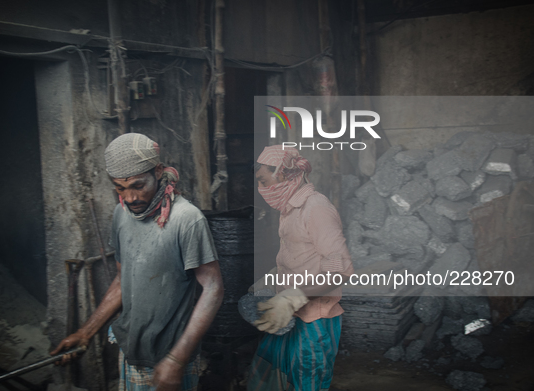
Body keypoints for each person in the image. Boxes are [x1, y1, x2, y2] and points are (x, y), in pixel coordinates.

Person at [51, 133, 224, 391]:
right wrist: (86, 332)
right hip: (130, 347)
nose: (130, 198)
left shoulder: (187, 219)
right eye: (120, 188)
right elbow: (124, 280)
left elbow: (213, 289)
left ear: (157, 170)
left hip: (169, 355)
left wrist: (177, 359)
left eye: (138, 185)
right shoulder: (121, 214)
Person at [248, 145, 354, 391]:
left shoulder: (316, 208)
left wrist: (293, 297)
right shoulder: (289, 209)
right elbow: (301, 257)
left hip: (314, 319)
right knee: (275, 378)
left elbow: (338, 270)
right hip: (291, 316)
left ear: (283, 174)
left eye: (264, 181)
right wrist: (272, 278)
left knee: (309, 382)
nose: (262, 189)